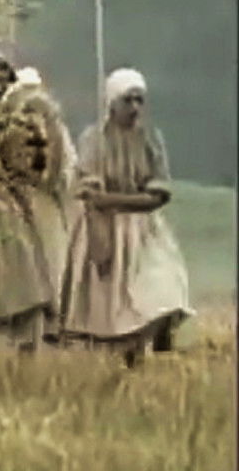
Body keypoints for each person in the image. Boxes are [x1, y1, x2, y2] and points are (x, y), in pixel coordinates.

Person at [62, 68, 193, 364]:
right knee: (112, 305)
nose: (135, 108)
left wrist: (118, 201)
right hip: (104, 228)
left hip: (144, 230)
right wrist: (125, 203)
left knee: (163, 285)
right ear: (112, 103)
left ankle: (159, 337)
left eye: (140, 100)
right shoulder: (93, 139)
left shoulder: (151, 139)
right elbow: (89, 192)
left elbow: (159, 193)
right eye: (128, 100)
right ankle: (128, 361)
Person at [0, 66, 80, 349]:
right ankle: (39, 334)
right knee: (42, 270)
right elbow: (63, 173)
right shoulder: (51, 126)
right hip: (35, 207)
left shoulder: (13, 125)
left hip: (21, 206)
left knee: (35, 272)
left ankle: (36, 335)